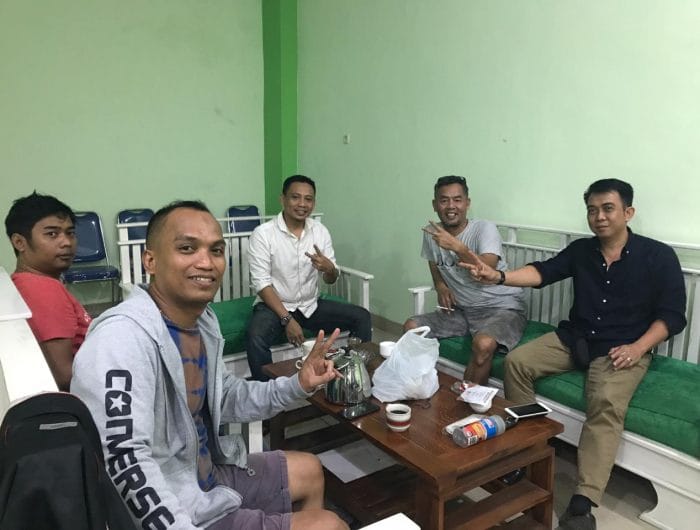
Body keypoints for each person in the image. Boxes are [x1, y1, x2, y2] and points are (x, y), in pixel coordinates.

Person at [70, 200, 349, 530]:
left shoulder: (203, 322)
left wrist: (297, 384)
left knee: (310, 470)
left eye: (216, 250)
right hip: (175, 503)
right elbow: (122, 459)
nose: (206, 262)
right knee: (329, 524)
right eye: (187, 248)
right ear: (150, 260)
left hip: (206, 475)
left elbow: (226, 397)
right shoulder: (121, 338)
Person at [463, 179, 686, 530]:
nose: (599, 217)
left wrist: (639, 347)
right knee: (517, 363)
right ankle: (529, 451)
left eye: (608, 209)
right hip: (576, 338)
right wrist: (498, 275)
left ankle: (583, 502)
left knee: (606, 401)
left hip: (623, 347)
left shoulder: (658, 256)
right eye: (592, 210)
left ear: (628, 212)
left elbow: (672, 315)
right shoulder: (582, 250)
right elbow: (543, 272)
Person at [246, 174, 372, 381]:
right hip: (275, 307)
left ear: (314, 202)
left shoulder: (320, 231)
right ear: (283, 199)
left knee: (362, 317)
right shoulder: (263, 234)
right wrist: (287, 319)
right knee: (255, 337)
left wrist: (330, 269)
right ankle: (266, 392)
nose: (302, 204)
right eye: (295, 197)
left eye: (308, 199)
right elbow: (262, 283)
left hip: (310, 305)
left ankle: (350, 376)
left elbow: (330, 278)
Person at [403, 175, 526, 385]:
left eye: (457, 200)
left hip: (502, 307)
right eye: (444, 200)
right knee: (412, 328)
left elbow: (487, 269)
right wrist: (440, 285)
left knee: (483, 344)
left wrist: (457, 247)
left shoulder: (484, 229)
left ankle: (466, 401)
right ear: (435, 205)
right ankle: (422, 389)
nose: (451, 206)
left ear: (467, 203)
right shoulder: (432, 232)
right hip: (463, 310)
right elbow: (433, 261)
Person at [4, 192, 91, 391]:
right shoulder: (43, 289)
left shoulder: (24, 281)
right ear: (19, 242)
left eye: (70, 233)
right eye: (52, 234)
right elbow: (63, 376)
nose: (66, 242)